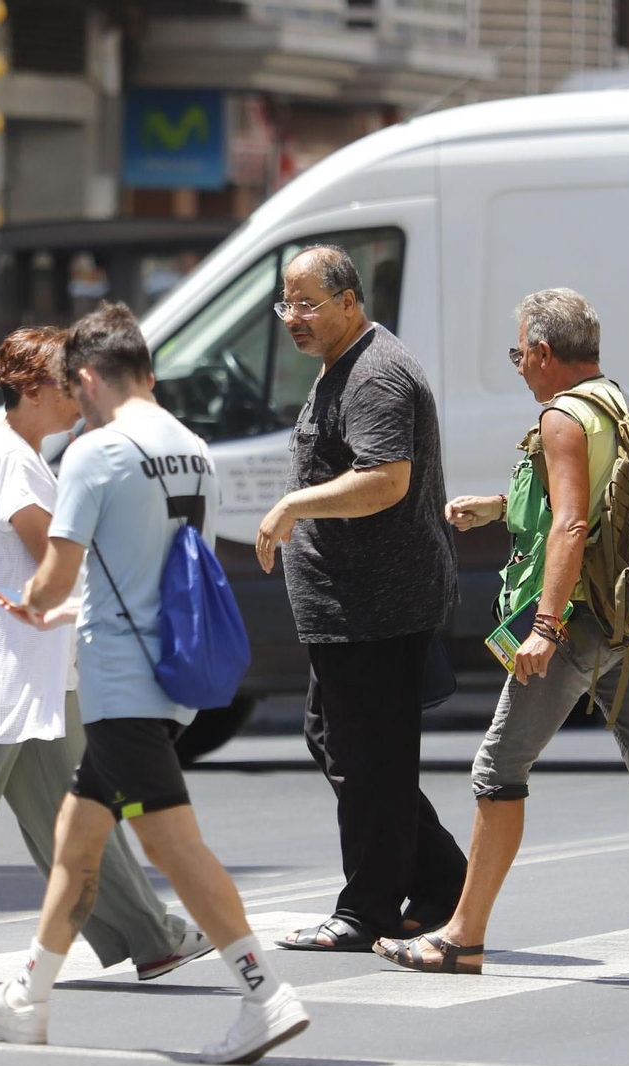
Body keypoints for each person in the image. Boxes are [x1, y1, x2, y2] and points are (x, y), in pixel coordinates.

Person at [0, 303, 309, 1065]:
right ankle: (29, 998)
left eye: (74, 390)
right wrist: (72, 610)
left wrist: (39, 603)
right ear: (145, 369)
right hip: (171, 673)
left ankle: (265, 991)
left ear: (85, 378)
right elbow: (160, 574)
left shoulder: (97, 455)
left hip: (120, 684)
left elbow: (55, 569)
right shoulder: (193, 448)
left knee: (174, 846)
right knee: (76, 840)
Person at [374, 289, 629, 982]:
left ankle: (461, 936)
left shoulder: (561, 417)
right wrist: (497, 508)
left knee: (497, 769)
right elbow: (592, 503)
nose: (519, 367)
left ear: (545, 353)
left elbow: (574, 524)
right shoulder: (617, 402)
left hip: (574, 624)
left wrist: (543, 627)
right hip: (625, 624)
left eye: (520, 354)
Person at [0, 328, 208, 984]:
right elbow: (54, 554)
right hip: (6, 670)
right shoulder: (13, 459)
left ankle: (152, 935)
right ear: (32, 388)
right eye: (68, 383)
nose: (79, 395)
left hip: (36, 673)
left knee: (76, 815)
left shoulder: (17, 453)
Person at [255, 246, 467, 953]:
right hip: (347, 606)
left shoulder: (375, 375)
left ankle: (367, 909)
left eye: (309, 303)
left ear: (350, 301)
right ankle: (442, 879)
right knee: (341, 746)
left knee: (369, 758)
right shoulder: (343, 366)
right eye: (287, 304)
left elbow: (386, 481)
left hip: (378, 605)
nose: (295, 318)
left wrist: (292, 506)